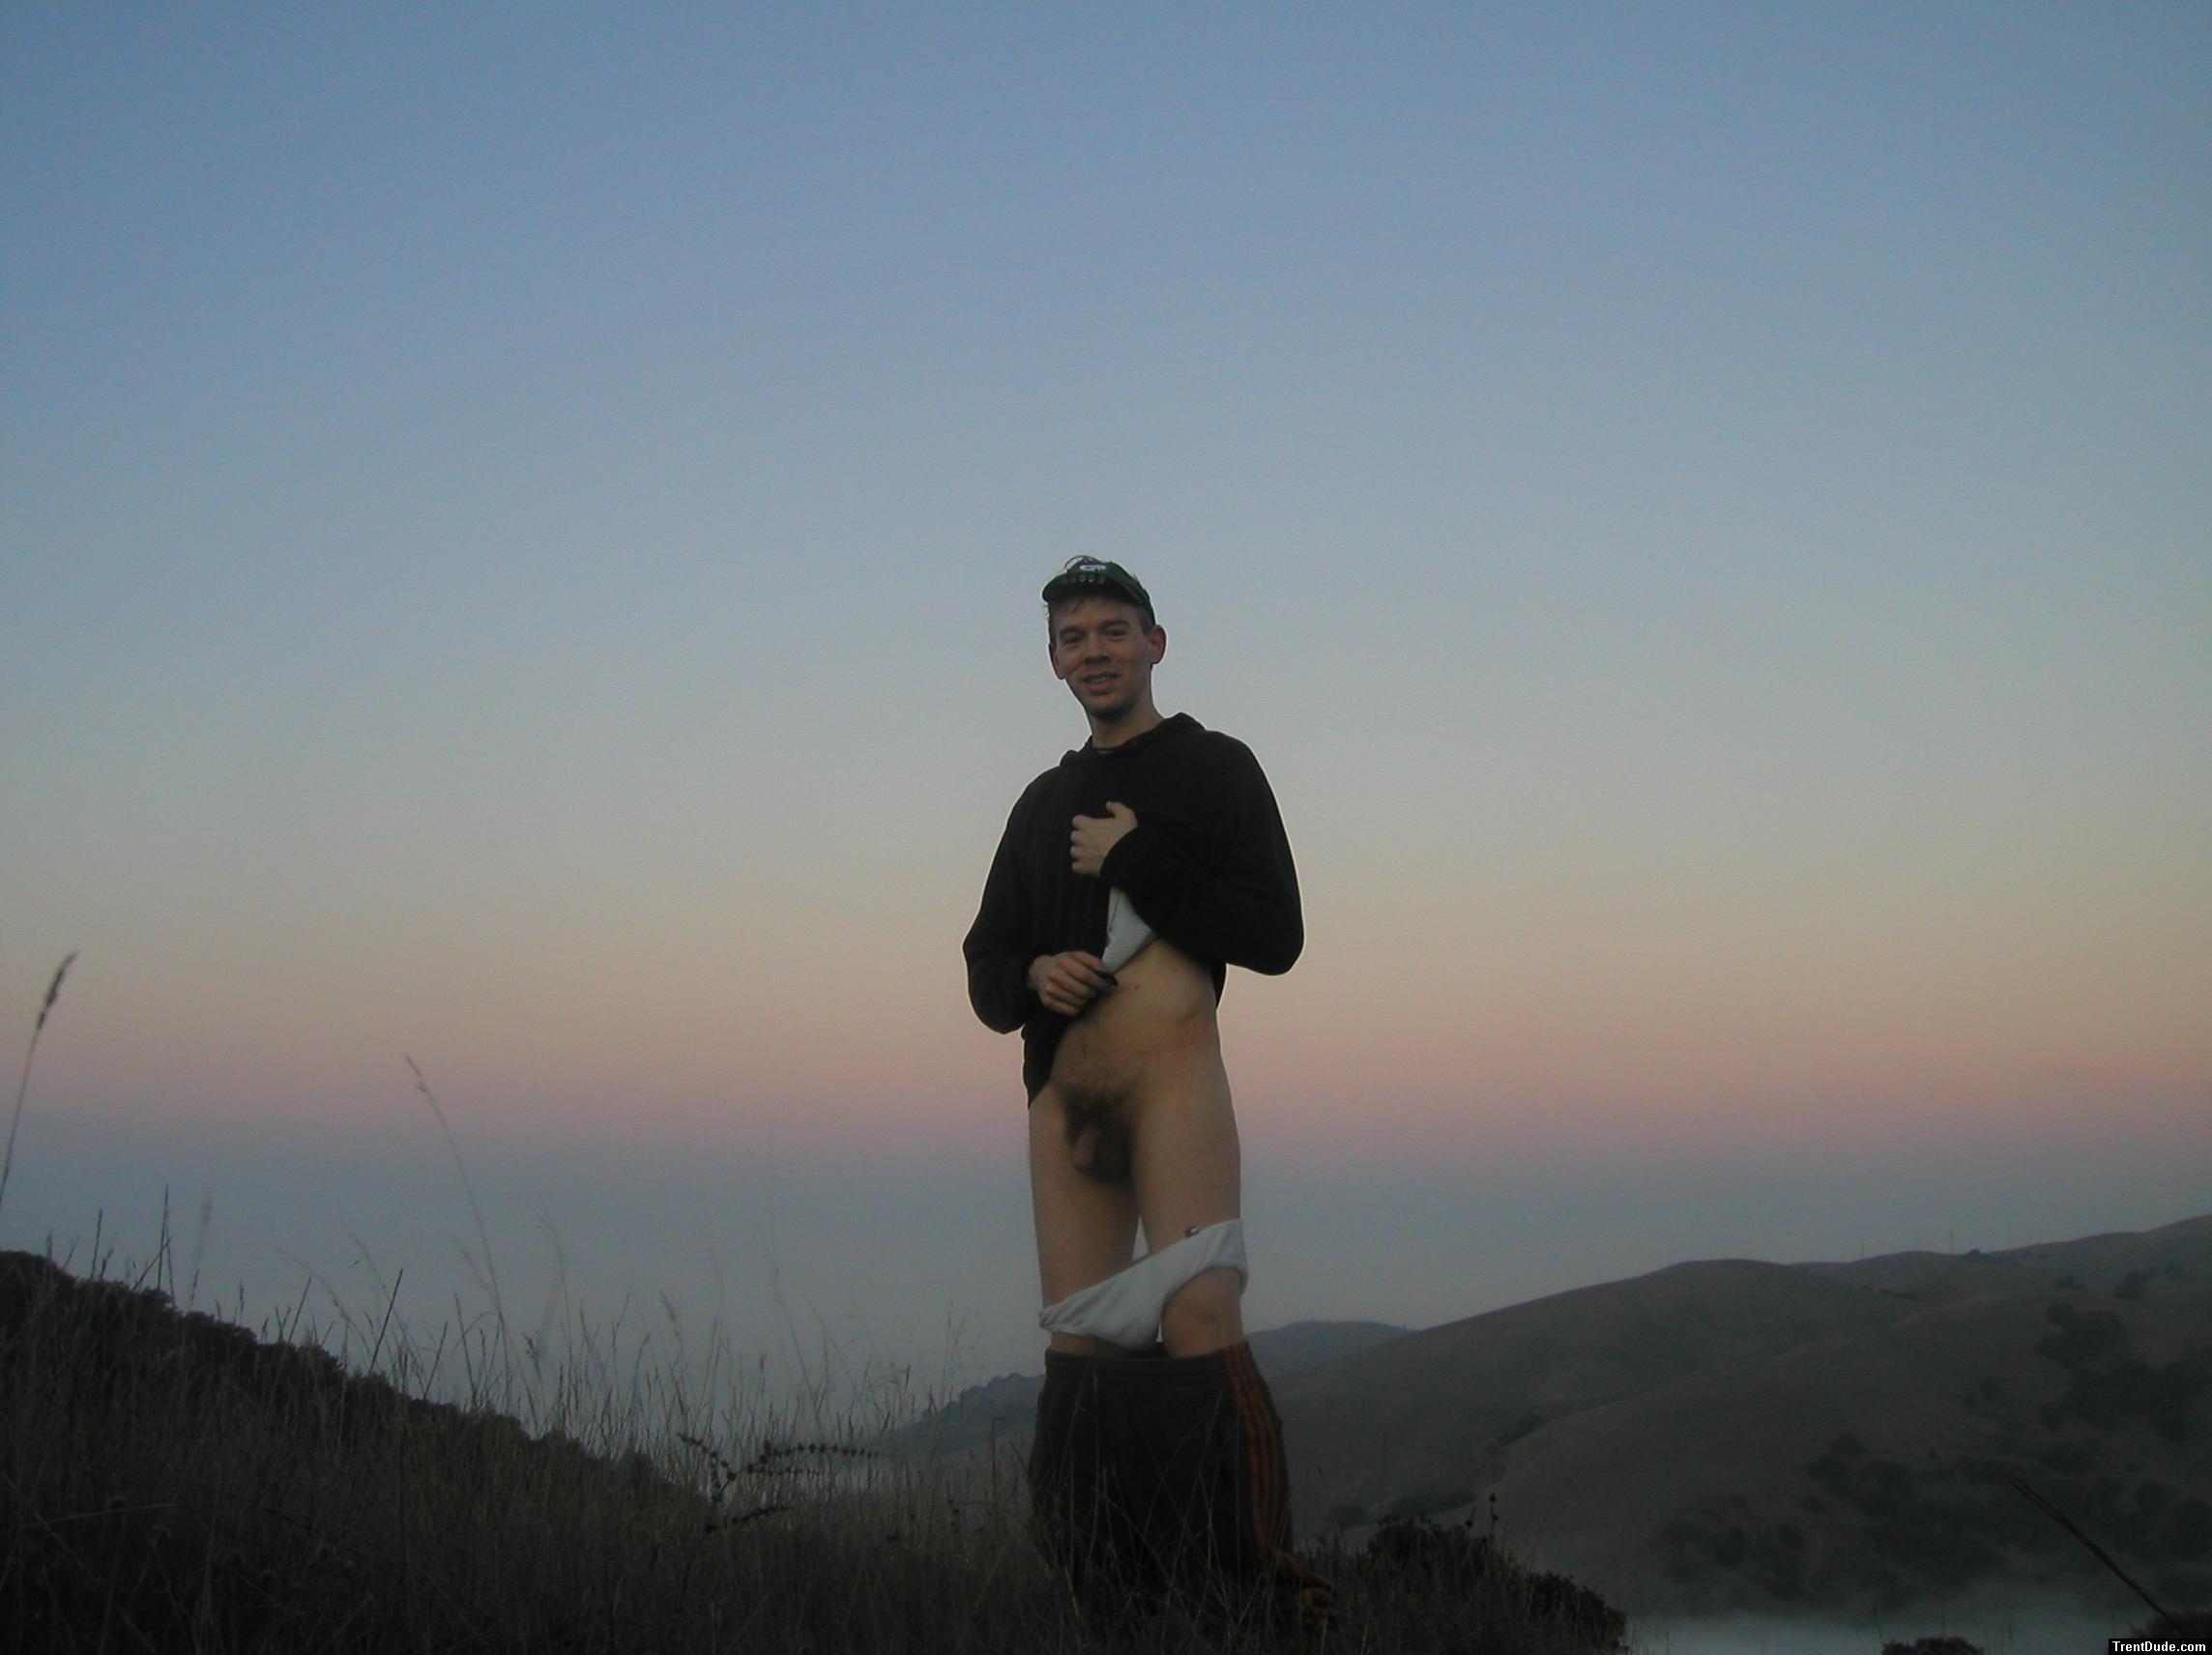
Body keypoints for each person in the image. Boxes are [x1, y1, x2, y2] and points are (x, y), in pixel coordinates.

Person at [963, 557, 1329, 1626]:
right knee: (1081, 1348)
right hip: (1063, 1100)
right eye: (1073, 638)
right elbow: (985, 964)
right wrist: (1034, 972)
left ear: (1154, 644)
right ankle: (1105, 1595)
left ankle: (1253, 1590)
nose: (1095, 652)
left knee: (1200, 1313)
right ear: (1052, 662)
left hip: (1173, 1085)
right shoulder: (1040, 804)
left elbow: (1275, 935)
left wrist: (1139, 856)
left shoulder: (1215, 767)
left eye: (1113, 631)